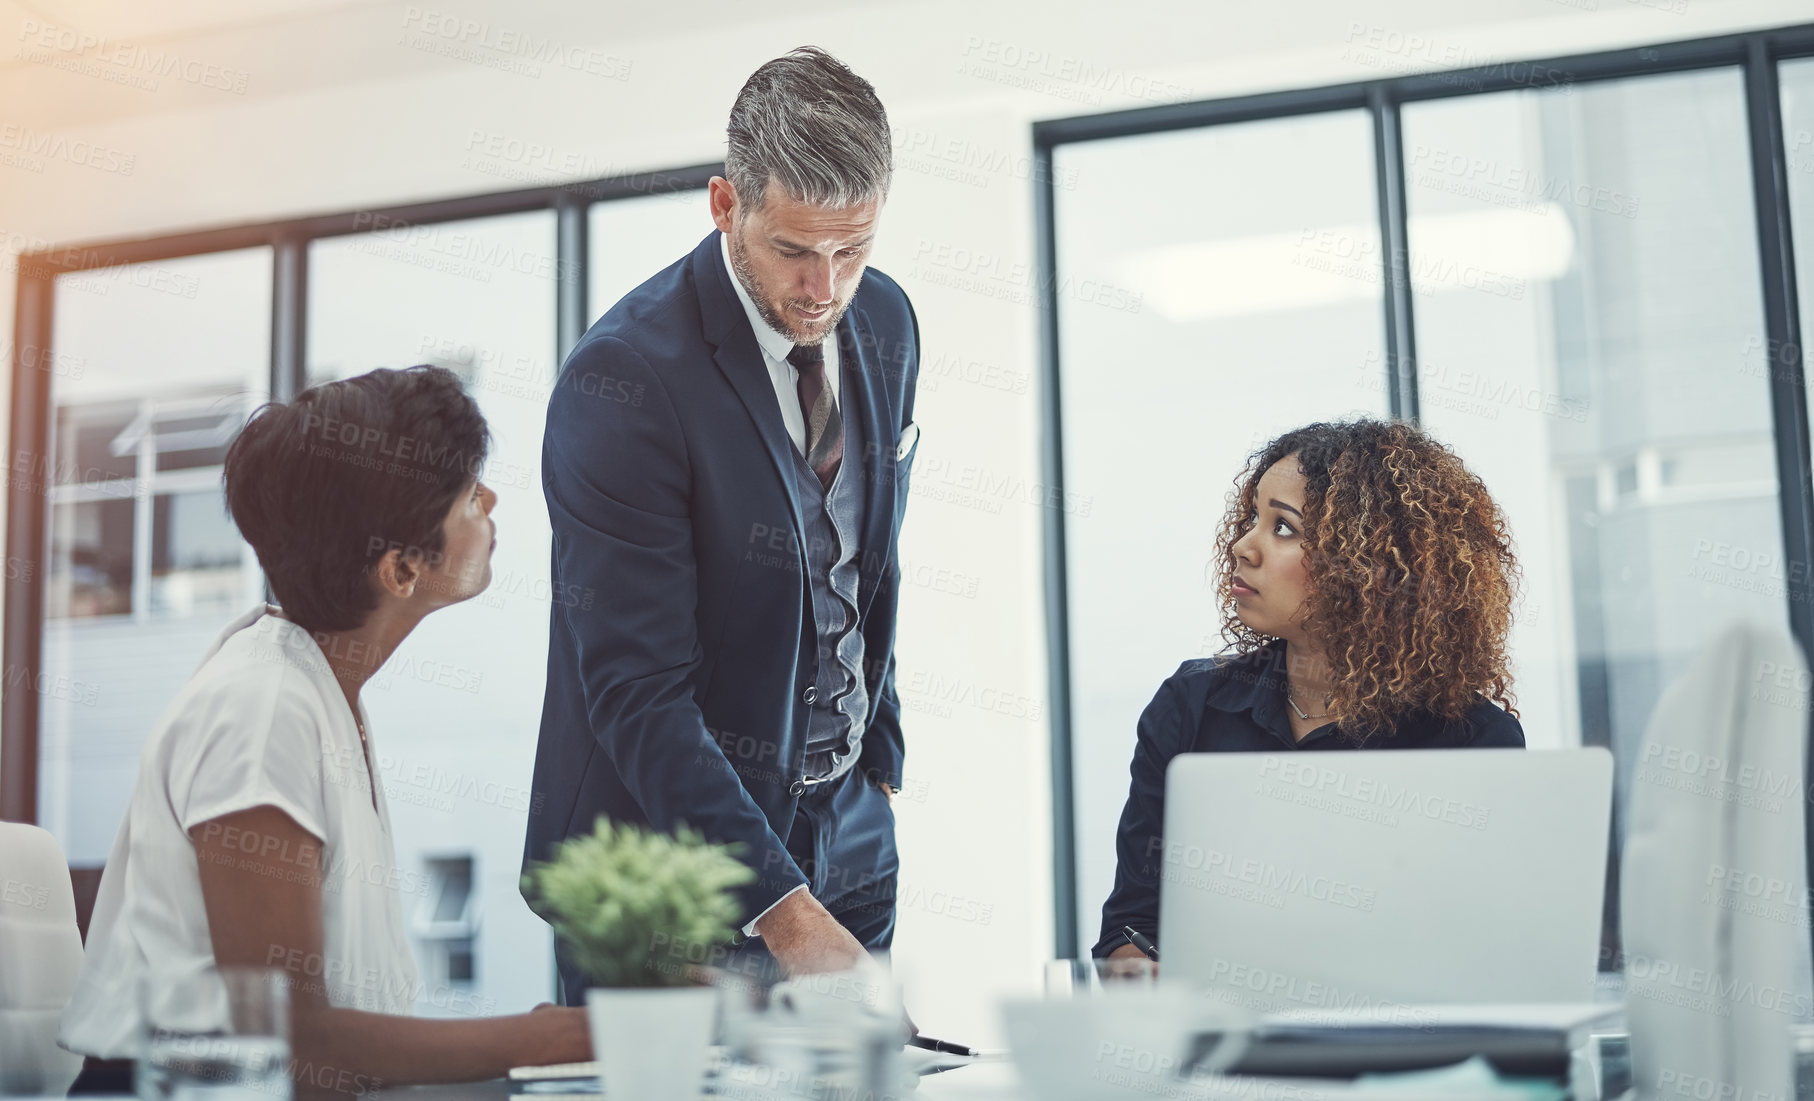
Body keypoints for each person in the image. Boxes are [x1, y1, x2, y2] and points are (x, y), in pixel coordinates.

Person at [59, 367, 590, 1094]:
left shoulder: (315, 686)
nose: (490, 501)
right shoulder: (260, 706)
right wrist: (545, 1037)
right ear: (401, 568)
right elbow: (289, 1040)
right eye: (470, 495)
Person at [524, 46, 921, 999]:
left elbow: (869, 555)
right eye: (794, 249)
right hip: (668, 875)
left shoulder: (888, 322)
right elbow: (636, 690)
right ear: (724, 204)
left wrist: (881, 754)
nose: (825, 287)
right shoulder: (622, 380)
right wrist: (781, 906)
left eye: (852, 249)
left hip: (852, 833)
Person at [1095, 418, 1527, 962]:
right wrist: (1143, 978)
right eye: (1253, 517)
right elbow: (1130, 927)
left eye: (1283, 529)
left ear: (1372, 567)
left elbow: (1486, 955)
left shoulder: (1470, 738)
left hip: (1396, 1044)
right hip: (1217, 1042)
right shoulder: (1190, 706)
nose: (1241, 546)